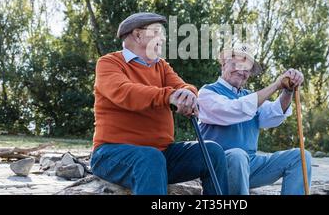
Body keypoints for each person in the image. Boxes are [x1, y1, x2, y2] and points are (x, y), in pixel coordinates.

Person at [91, 12, 228, 195]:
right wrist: (169, 96)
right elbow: (124, 92)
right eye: (157, 32)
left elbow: (183, 86)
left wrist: (188, 95)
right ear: (138, 35)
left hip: (161, 155)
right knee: (150, 158)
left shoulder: (161, 66)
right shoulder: (109, 63)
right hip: (111, 154)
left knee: (212, 152)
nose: (163, 38)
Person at [198, 43, 312, 195]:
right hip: (217, 166)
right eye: (236, 64)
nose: (241, 70)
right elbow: (234, 109)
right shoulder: (207, 93)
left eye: (247, 68)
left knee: (300, 156)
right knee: (237, 155)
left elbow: (274, 114)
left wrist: (288, 90)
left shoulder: (250, 97)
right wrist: (275, 85)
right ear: (224, 65)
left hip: (250, 166)